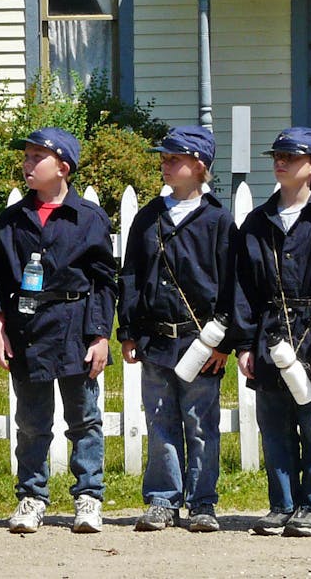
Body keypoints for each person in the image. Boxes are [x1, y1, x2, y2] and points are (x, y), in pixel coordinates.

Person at [0, 127, 115, 535]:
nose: (26, 164)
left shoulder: (89, 219)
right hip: (28, 330)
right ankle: (32, 495)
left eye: (36, 157)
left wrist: (99, 335)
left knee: (85, 419)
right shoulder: (11, 221)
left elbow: (105, 281)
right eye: (25, 157)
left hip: (75, 328)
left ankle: (88, 495)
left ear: (62, 167)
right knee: (32, 422)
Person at [231, 127, 311, 537]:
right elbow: (243, 289)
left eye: (292, 156)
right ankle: (281, 504)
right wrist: (245, 343)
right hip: (268, 336)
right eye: (277, 155)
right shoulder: (256, 223)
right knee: (275, 426)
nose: (281, 162)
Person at [117, 125, 235, 533]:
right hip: (155, 339)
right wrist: (129, 330)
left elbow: (231, 285)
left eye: (174, 159)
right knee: (161, 419)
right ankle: (163, 499)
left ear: (199, 166)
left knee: (201, 424)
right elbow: (131, 274)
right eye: (164, 159)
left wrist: (224, 342)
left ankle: (203, 501)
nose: (165, 165)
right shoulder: (149, 217)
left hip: (201, 340)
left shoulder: (219, 220)